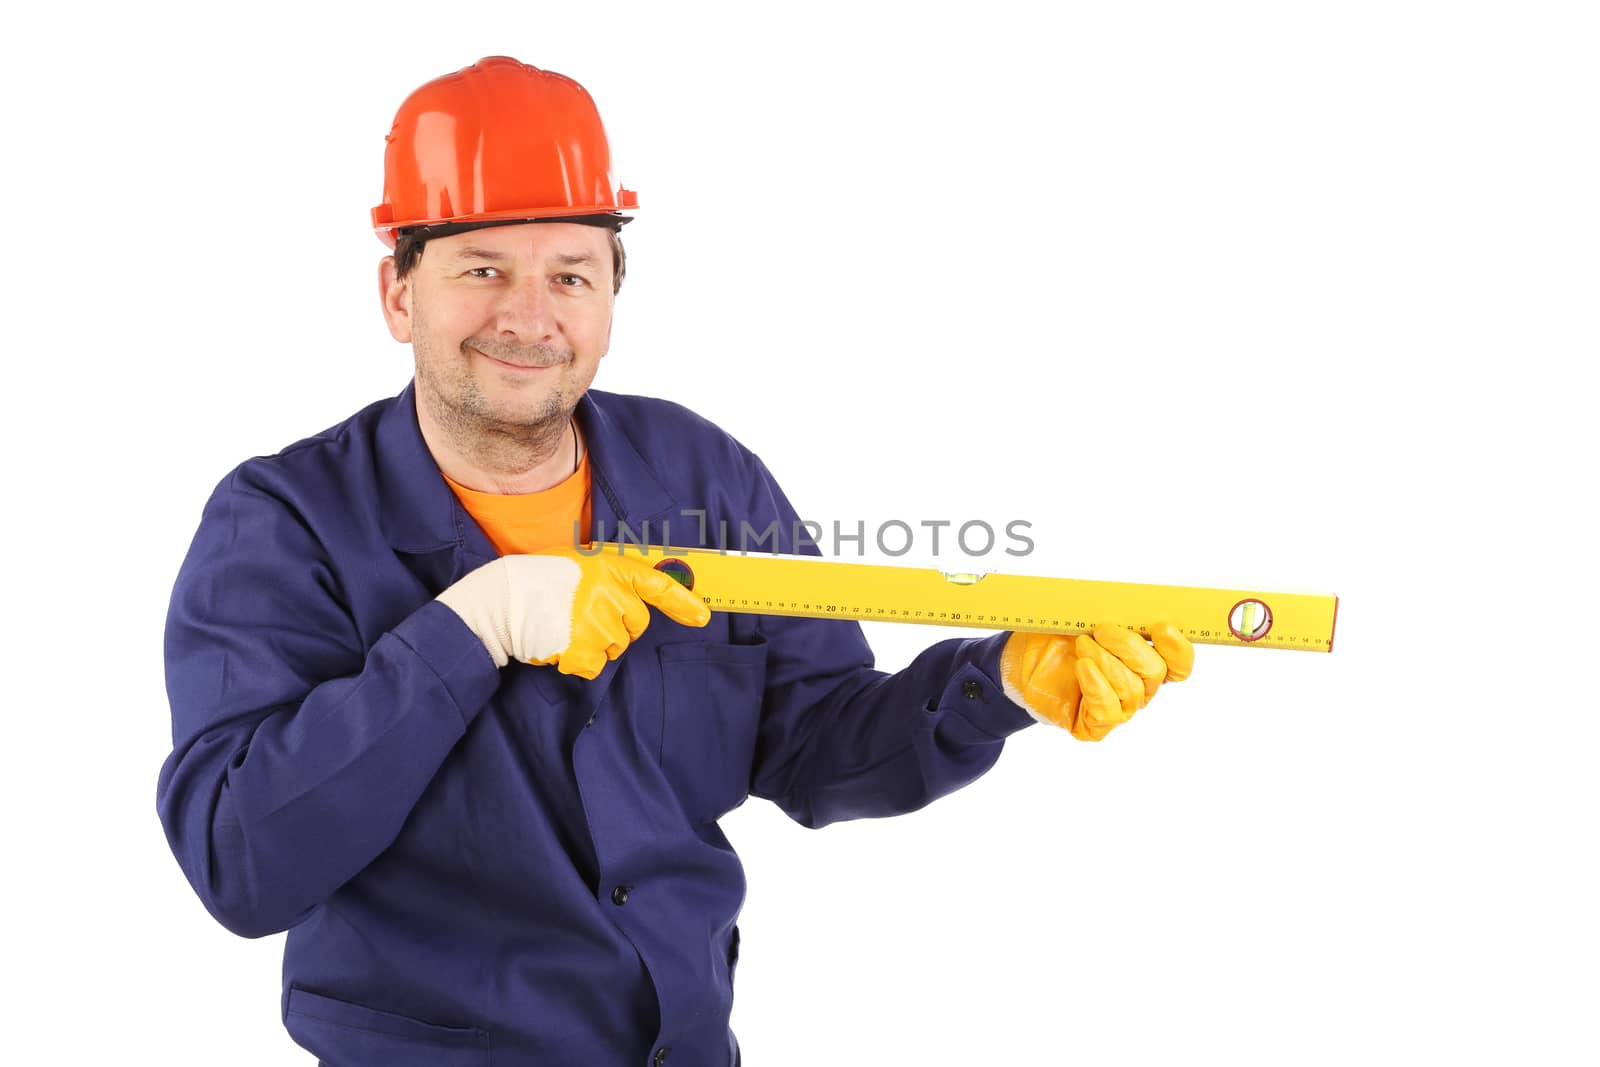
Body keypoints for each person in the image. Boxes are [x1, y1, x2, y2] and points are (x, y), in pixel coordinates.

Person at [157, 56, 1194, 1066]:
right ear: (398, 293)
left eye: (571, 273)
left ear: (611, 292)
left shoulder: (705, 478)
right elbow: (242, 860)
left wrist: (997, 682)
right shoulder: (283, 523)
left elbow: (820, 743)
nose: (528, 316)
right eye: (482, 269)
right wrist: (471, 628)